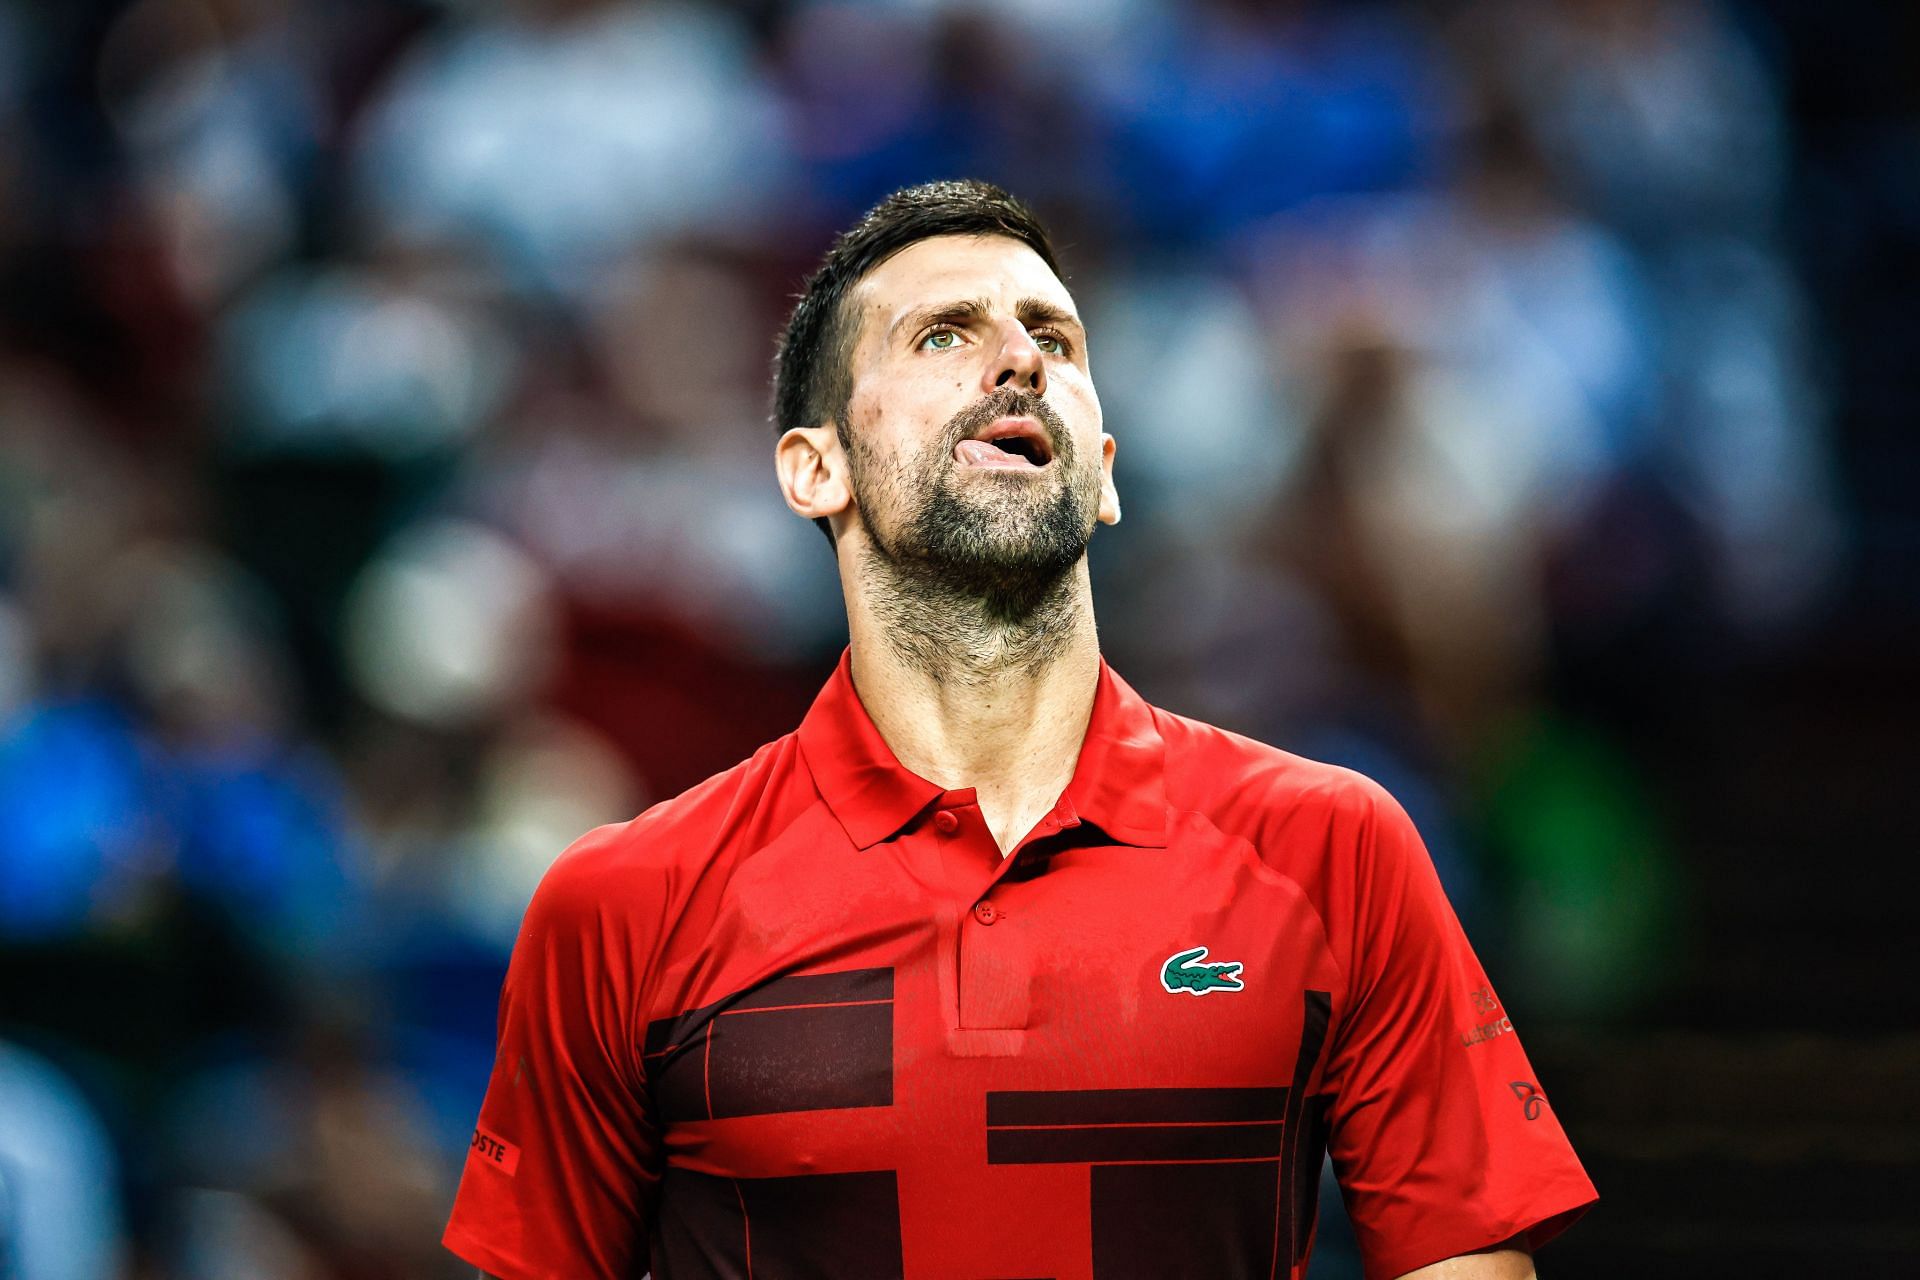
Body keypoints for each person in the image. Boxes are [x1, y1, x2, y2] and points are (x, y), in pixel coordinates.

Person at [443, 180, 1597, 1280]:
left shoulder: (1333, 848)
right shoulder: (623, 905)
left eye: (1055, 335)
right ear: (815, 467)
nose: (1019, 358)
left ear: (1102, 473)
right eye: (943, 334)